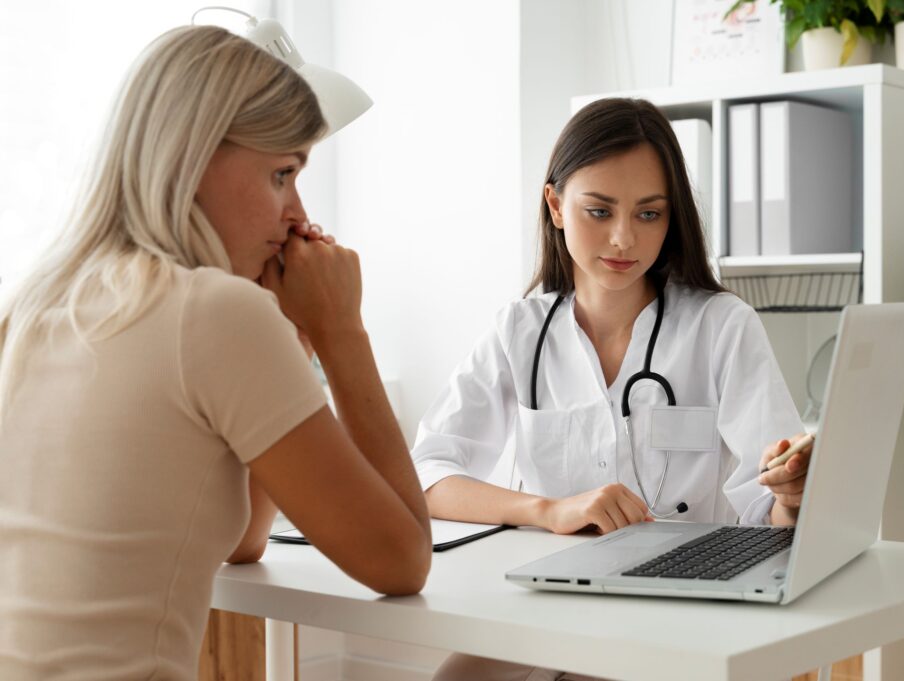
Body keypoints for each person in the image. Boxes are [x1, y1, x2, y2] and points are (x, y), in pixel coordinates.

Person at [0, 25, 430, 680]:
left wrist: (294, 341)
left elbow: (240, 540)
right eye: (282, 173)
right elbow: (403, 561)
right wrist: (343, 333)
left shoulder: (35, 305)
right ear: (193, 155)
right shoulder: (213, 314)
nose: (297, 213)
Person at [411, 98, 811, 681]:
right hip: (547, 607)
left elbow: (767, 509)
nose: (623, 238)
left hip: (679, 611)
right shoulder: (518, 331)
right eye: (599, 211)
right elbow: (428, 473)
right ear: (555, 204)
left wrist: (791, 493)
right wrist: (549, 510)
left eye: (649, 215)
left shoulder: (721, 326)